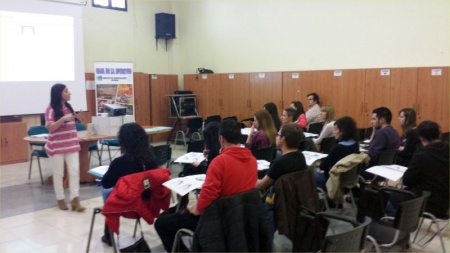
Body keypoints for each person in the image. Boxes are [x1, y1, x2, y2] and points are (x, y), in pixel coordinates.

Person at [155, 119, 258, 252]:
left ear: (221, 139)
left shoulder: (220, 162)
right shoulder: (252, 160)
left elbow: (209, 194)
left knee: (161, 223)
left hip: (216, 219)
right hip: (241, 218)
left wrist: (197, 208)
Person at [101, 122, 158, 246]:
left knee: (105, 191)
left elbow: (106, 183)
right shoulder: (151, 159)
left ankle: (108, 234)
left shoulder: (119, 163)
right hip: (146, 202)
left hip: (126, 205)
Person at [389, 121, 449, 218]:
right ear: (439, 134)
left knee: (387, 195)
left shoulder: (422, 155)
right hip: (445, 202)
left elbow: (407, 180)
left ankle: (397, 225)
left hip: (426, 202)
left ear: (421, 137)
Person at [255, 123, 307, 236]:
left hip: (278, 202)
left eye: (278, 134)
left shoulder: (280, 163)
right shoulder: (300, 157)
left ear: (283, 139)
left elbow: (261, 185)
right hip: (296, 201)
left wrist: (247, 178)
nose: (276, 136)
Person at [45, 83, 85, 212]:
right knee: (58, 174)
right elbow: (50, 128)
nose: (69, 93)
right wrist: (63, 119)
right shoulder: (50, 109)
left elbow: (70, 123)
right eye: (66, 91)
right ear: (59, 94)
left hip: (71, 144)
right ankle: (60, 199)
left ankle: (75, 199)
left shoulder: (68, 107)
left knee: (74, 171)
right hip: (56, 146)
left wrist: (77, 118)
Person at [315, 116, 359, 191]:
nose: (333, 132)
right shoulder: (355, 144)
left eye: (335, 129)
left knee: (308, 175)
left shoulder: (338, 148)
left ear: (342, 131)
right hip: (349, 180)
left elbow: (323, 166)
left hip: (333, 181)